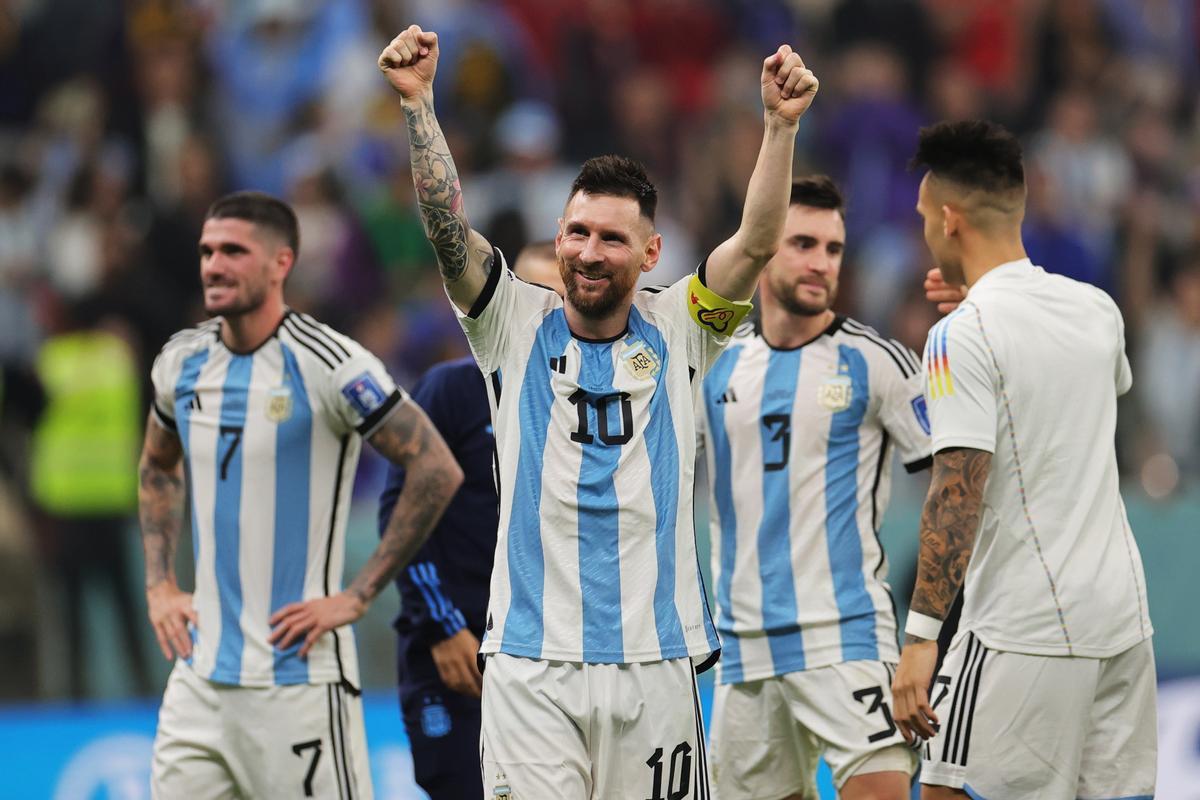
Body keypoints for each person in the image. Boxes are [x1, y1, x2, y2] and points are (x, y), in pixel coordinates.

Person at [378, 24, 818, 798]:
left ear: (649, 255)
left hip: (656, 664)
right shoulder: (508, 323)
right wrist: (420, 106)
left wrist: (779, 127)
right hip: (531, 665)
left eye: (611, 238)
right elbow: (449, 231)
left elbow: (755, 243)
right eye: (576, 232)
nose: (586, 251)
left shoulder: (684, 327)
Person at [138, 190, 464, 799]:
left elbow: (434, 467)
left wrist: (358, 594)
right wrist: (158, 583)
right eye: (208, 251)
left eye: (234, 251)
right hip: (200, 680)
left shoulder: (329, 364)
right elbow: (158, 466)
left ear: (280, 263)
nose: (214, 265)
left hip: (300, 680)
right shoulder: (180, 363)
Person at [890, 120, 1156, 800]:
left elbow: (957, 493)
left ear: (950, 220)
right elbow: (1092, 384)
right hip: (1123, 623)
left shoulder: (960, 336)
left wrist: (921, 639)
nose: (923, 230)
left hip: (1023, 628)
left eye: (924, 218)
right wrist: (979, 312)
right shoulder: (1097, 311)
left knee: (948, 792)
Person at [699, 176, 931, 800]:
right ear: (766, 246)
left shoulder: (876, 362)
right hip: (743, 652)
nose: (821, 263)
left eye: (833, 249)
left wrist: (930, 630)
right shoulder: (714, 363)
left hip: (847, 634)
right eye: (803, 243)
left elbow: (959, 485)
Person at [375, 245, 564, 800]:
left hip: (545, 658)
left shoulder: (585, 404)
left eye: (558, 300)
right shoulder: (452, 390)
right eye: (530, 297)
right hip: (455, 655)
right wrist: (442, 625)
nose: (545, 313)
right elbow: (400, 510)